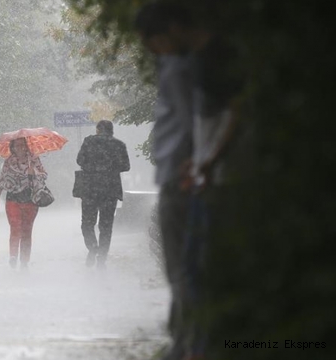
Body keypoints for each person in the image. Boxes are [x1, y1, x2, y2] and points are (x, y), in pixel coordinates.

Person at [134, 3, 196, 359]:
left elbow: (193, 122)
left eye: (150, 39)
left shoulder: (179, 68)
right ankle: (187, 339)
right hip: (180, 176)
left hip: (181, 177)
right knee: (184, 266)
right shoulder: (185, 66)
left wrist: (198, 164)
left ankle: (188, 343)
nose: (148, 48)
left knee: (182, 267)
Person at [75, 120, 130, 269]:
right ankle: (102, 258)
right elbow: (126, 166)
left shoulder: (89, 142)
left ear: (98, 129)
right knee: (106, 226)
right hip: (110, 190)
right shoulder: (119, 144)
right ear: (111, 130)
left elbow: (79, 160)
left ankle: (93, 248)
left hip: (89, 189)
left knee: (87, 223)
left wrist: (93, 166)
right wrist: (110, 167)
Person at [0, 137, 47, 270]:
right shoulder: (8, 162)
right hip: (13, 199)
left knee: (26, 231)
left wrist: (33, 172)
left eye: (23, 145)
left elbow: (43, 175)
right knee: (15, 227)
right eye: (17, 145)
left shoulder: (34, 159)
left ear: (27, 146)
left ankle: (24, 261)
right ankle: (13, 256)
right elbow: (2, 180)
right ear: (12, 147)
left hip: (30, 200)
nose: (20, 147)